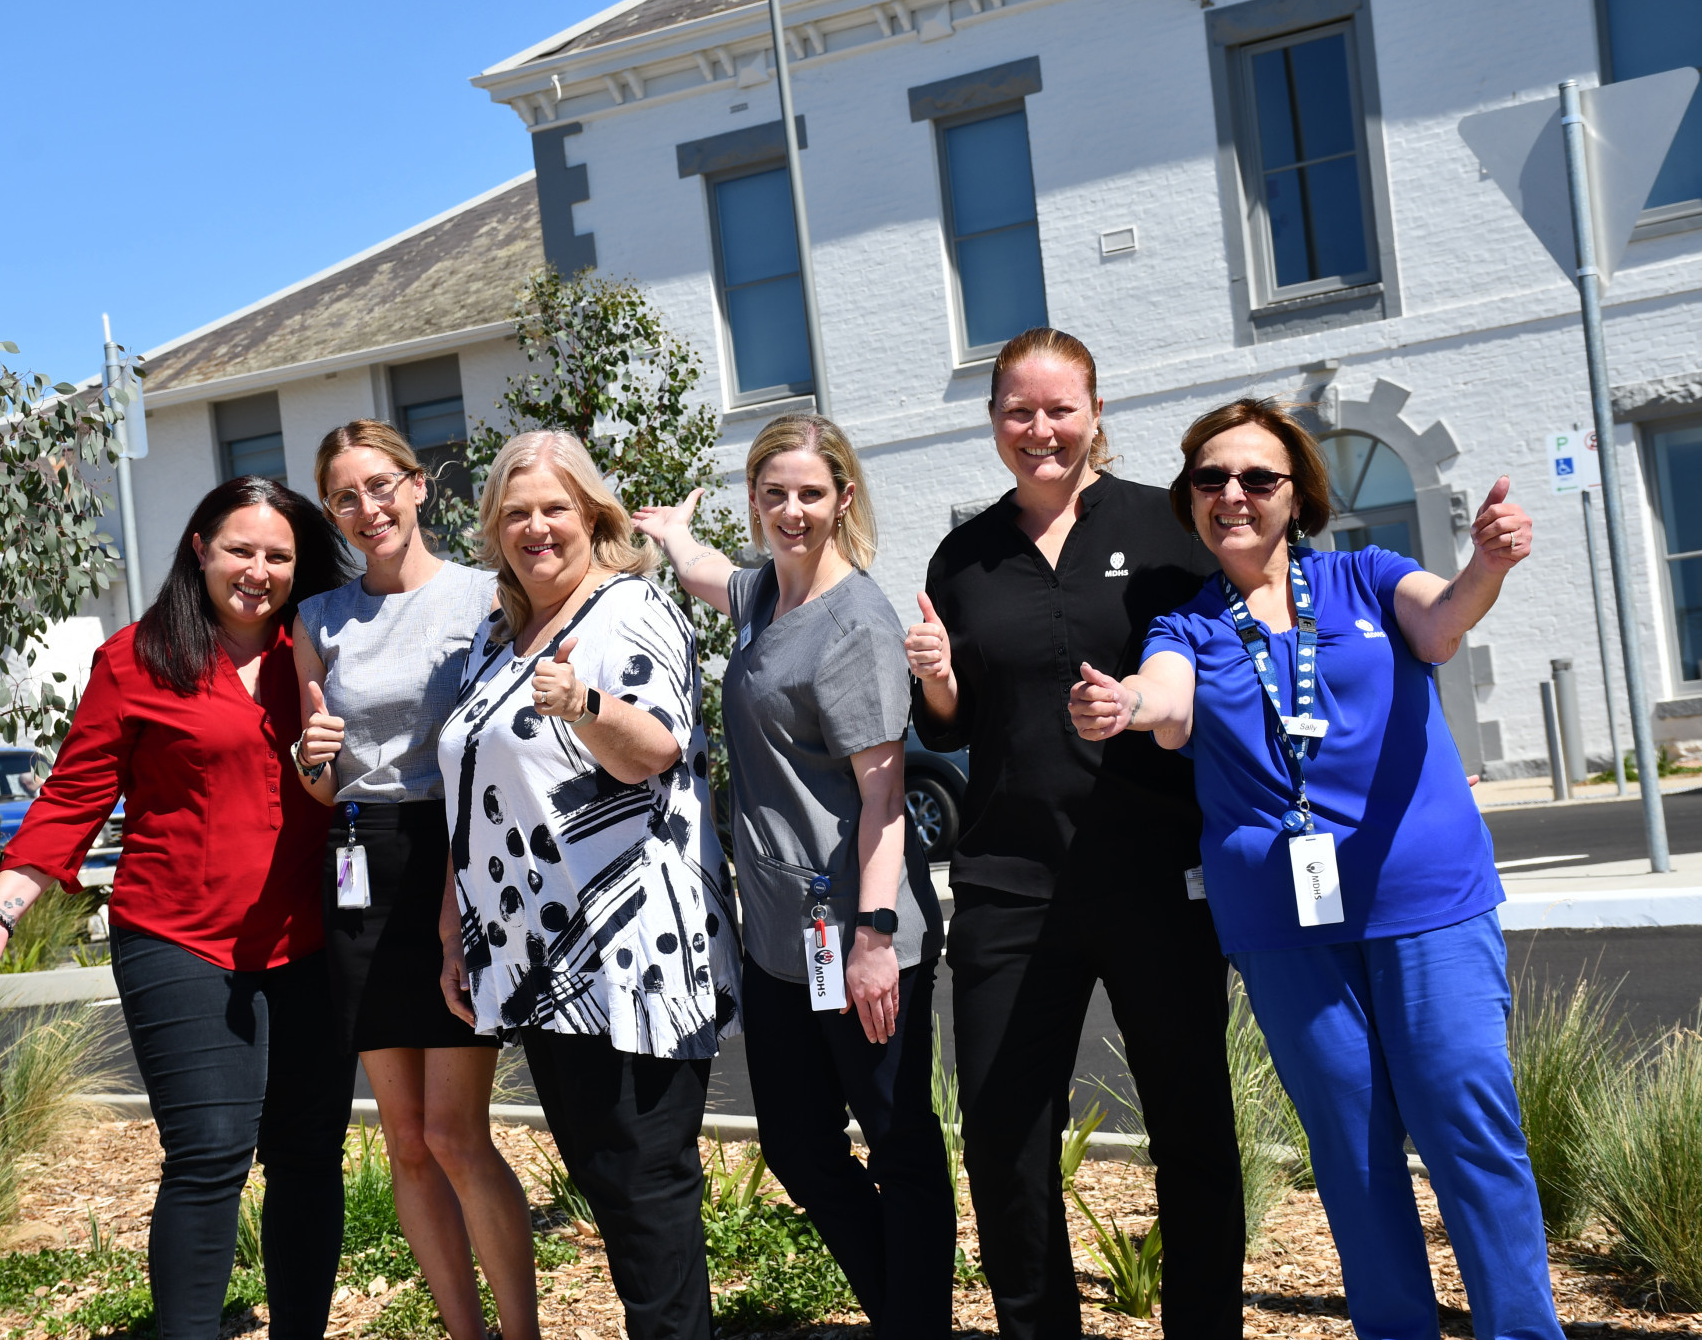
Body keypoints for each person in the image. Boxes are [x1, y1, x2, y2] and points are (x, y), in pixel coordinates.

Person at [1068, 398, 1561, 1340]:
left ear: (1297, 496)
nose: (1234, 494)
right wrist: (1123, 704)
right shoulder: (1185, 626)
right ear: (1190, 499)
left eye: (1258, 477)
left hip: (1426, 898)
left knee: (1467, 1123)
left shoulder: (1367, 576)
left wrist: (1486, 567)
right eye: (1211, 478)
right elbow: (1165, 700)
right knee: (1351, 1149)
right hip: (1285, 925)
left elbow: (1441, 623)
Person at [0, 477, 349, 1340]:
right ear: (200, 548)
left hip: (309, 935)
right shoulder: (138, 657)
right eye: (240, 549)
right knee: (210, 1148)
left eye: (278, 555)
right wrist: (0, 914)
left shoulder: (328, 647)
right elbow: (71, 799)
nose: (258, 570)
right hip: (178, 936)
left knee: (307, 1154)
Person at [905, 327, 1244, 1340]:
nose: (1040, 429)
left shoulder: (1166, 529)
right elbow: (951, 727)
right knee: (1002, 1138)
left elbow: (1232, 660)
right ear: (992, 421)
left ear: (1096, 412)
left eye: (1060, 409)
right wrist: (937, 678)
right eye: (1019, 411)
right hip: (1009, 883)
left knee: (1190, 1128)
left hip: (1156, 876)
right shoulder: (965, 556)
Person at [633, 414, 953, 1336]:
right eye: (774, 493)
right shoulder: (766, 590)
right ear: (754, 498)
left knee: (897, 1140)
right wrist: (674, 535)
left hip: (860, 931)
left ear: (843, 498)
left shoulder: (856, 624)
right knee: (798, 1146)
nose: (792, 510)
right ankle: (904, 1311)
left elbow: (884, 798)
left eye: (811, 493)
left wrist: (875, 937)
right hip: (782, 935)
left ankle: (915, 1323)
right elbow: (710, 574)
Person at [439, 430, 739, 1340]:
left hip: (634, 955)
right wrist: (456, 933)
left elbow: (657, 747)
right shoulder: (499, 635)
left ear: (593, 516)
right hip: (542, 963)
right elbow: (474, 797)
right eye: (516, 512)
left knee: (647, 1199)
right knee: (612, 1191)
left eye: (554, 508)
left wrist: (584, 704)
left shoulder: (631, 609)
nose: (536, 527)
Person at [289, 419, 537, 1340]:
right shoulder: (319, 618)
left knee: (455, 1135)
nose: (368, 508)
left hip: (460, 848)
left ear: (418, 484)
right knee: (406, 1142)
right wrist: (309, 759)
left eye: (381, 485)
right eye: (345, 497)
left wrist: (464, 886)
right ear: (332, 512)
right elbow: (321, 785)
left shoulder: (485, 595)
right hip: (360, 863)